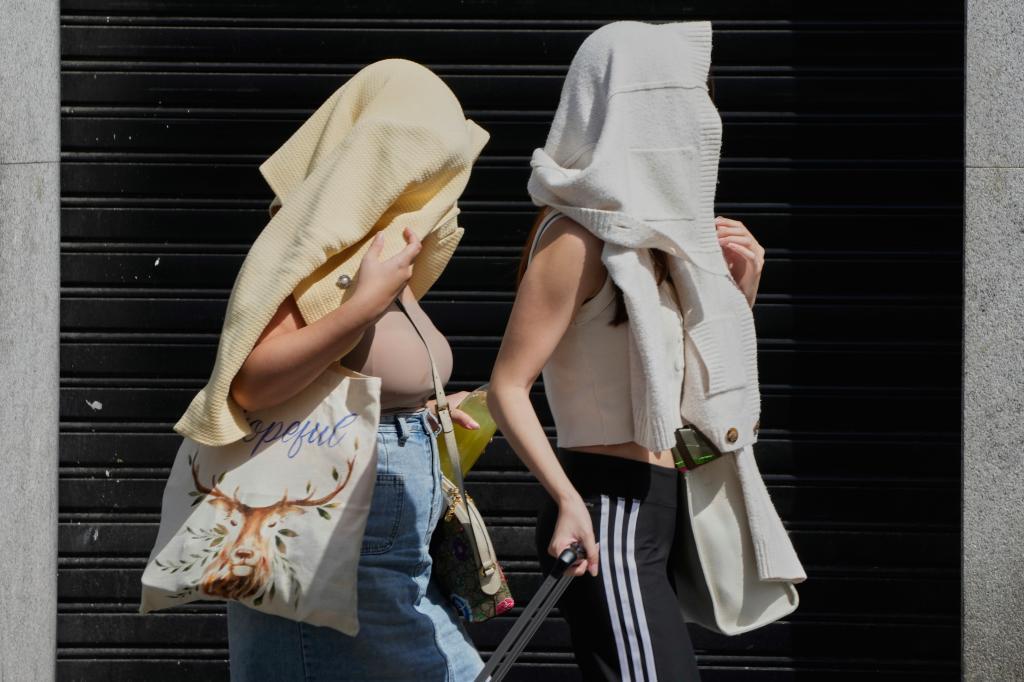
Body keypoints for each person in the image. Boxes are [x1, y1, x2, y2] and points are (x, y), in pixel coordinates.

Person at [489, 21, 805, 681]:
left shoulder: (657, 244)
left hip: (658, 507)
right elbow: (507, 387)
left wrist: (738, 296)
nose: (701, 117)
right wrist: (568, 500)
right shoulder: (576, 238)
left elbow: (689, 399)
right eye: (685, 98)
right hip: (609, 511)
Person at [170, 59, 490, 682]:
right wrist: (367, 303)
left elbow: (344, 372)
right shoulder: (320, 246)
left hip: (373, 533)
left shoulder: (384, 244)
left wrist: (423, 412)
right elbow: (254, 381)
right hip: (335, 529)